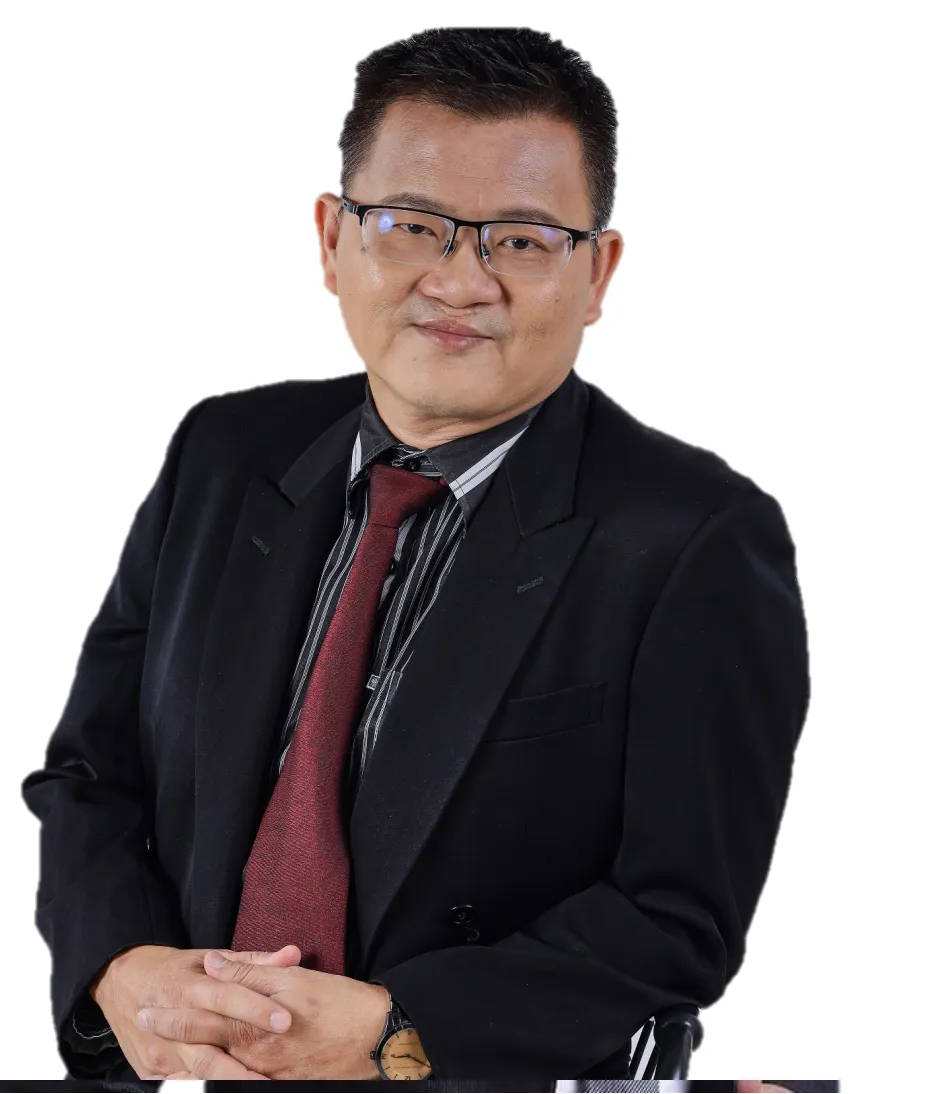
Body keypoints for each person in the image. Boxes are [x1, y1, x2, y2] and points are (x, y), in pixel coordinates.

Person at [21, 26, 815, 1092]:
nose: (459, 279)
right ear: (331, 239)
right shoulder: (223, 453)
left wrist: (397, 1036)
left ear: (596, 271)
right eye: (411, 226)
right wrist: (118, 969)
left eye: (522, 240)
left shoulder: (697, 537)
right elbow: (91, 773)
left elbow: (677, 917)